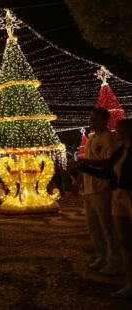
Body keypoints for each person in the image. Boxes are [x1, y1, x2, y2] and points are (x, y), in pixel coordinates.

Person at [81, 118, 132, 299]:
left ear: (125, 133)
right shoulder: (119, 152)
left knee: (109, 229)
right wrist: (84, 168)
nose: (115, 132)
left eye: (118, 130)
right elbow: (108, 170)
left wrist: (86, 164)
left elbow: (108, 167)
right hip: (115, 194)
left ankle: (114, 261)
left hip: (123, 194)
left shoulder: (114, 144)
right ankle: (127, 278)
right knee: (122, 238)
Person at [81, 108, 121, 275]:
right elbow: (87, 164)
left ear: (104, 121)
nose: (91, 122)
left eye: (95, 119)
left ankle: (115, 260)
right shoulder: (91, 139)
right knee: (93, 226)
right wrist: (78, 182)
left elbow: (108, 163)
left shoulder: (108, 139)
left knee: (107, 226)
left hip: (101, 187)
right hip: (89, 189)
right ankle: (101, 255)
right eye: (91, 119)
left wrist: (84, 163)